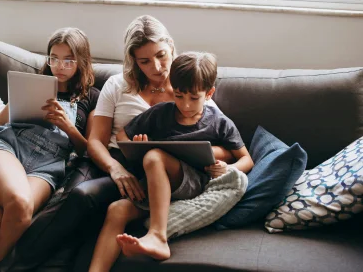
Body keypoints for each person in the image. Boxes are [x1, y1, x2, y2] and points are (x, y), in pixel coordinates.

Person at [0, 15, 234, 271]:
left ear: (172, 47)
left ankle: (11, 266)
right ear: (133, 61)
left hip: (156, 172)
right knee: (80, 197)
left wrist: (209, 157)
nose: (157, 66)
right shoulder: (118, 85)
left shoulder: (188, 85)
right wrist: (115, 169)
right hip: (109, 162)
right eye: (144, 61)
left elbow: (221, 140)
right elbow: (95, 141)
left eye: (162, 55)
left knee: (91, 205)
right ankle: (11, 265)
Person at [88, 51, 254, 272]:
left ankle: (158, 236)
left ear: (209, 93)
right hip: (157, 186)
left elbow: (246, 159)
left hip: (194, 184)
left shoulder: (218, 122)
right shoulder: (160, 113)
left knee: (155, 156)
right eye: (178, 95)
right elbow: (121, 137)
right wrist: (137, 144)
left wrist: (227, 168)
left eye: (194, 98)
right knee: (117, 210)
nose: (185, 105)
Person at [0, 27, 99, 272]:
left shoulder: (91, 97)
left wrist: (68, 127)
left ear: (82, 61)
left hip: (46, 167)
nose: (59, 66)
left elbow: (89, 150)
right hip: (9, 150)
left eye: (68, 60)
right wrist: (20, 102)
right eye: (54, 58)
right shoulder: (32, 84)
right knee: (18, 201)